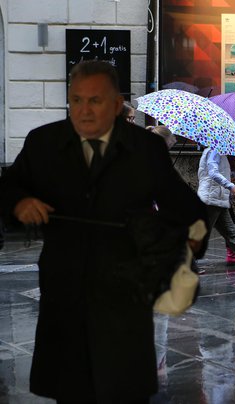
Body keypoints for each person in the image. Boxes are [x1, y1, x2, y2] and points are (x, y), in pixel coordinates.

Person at [0, 60, 208, 402]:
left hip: (125, 298)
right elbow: (6, 189)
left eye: (94, 101)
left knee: (122, 390)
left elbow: (189, 213)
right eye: (76, 100)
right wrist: (19, 202)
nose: (83, 111)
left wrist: (183, 246)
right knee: (71, 390)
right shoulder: (43, 144)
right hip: (65, 296)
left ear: (115, 104)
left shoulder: (145, 149)